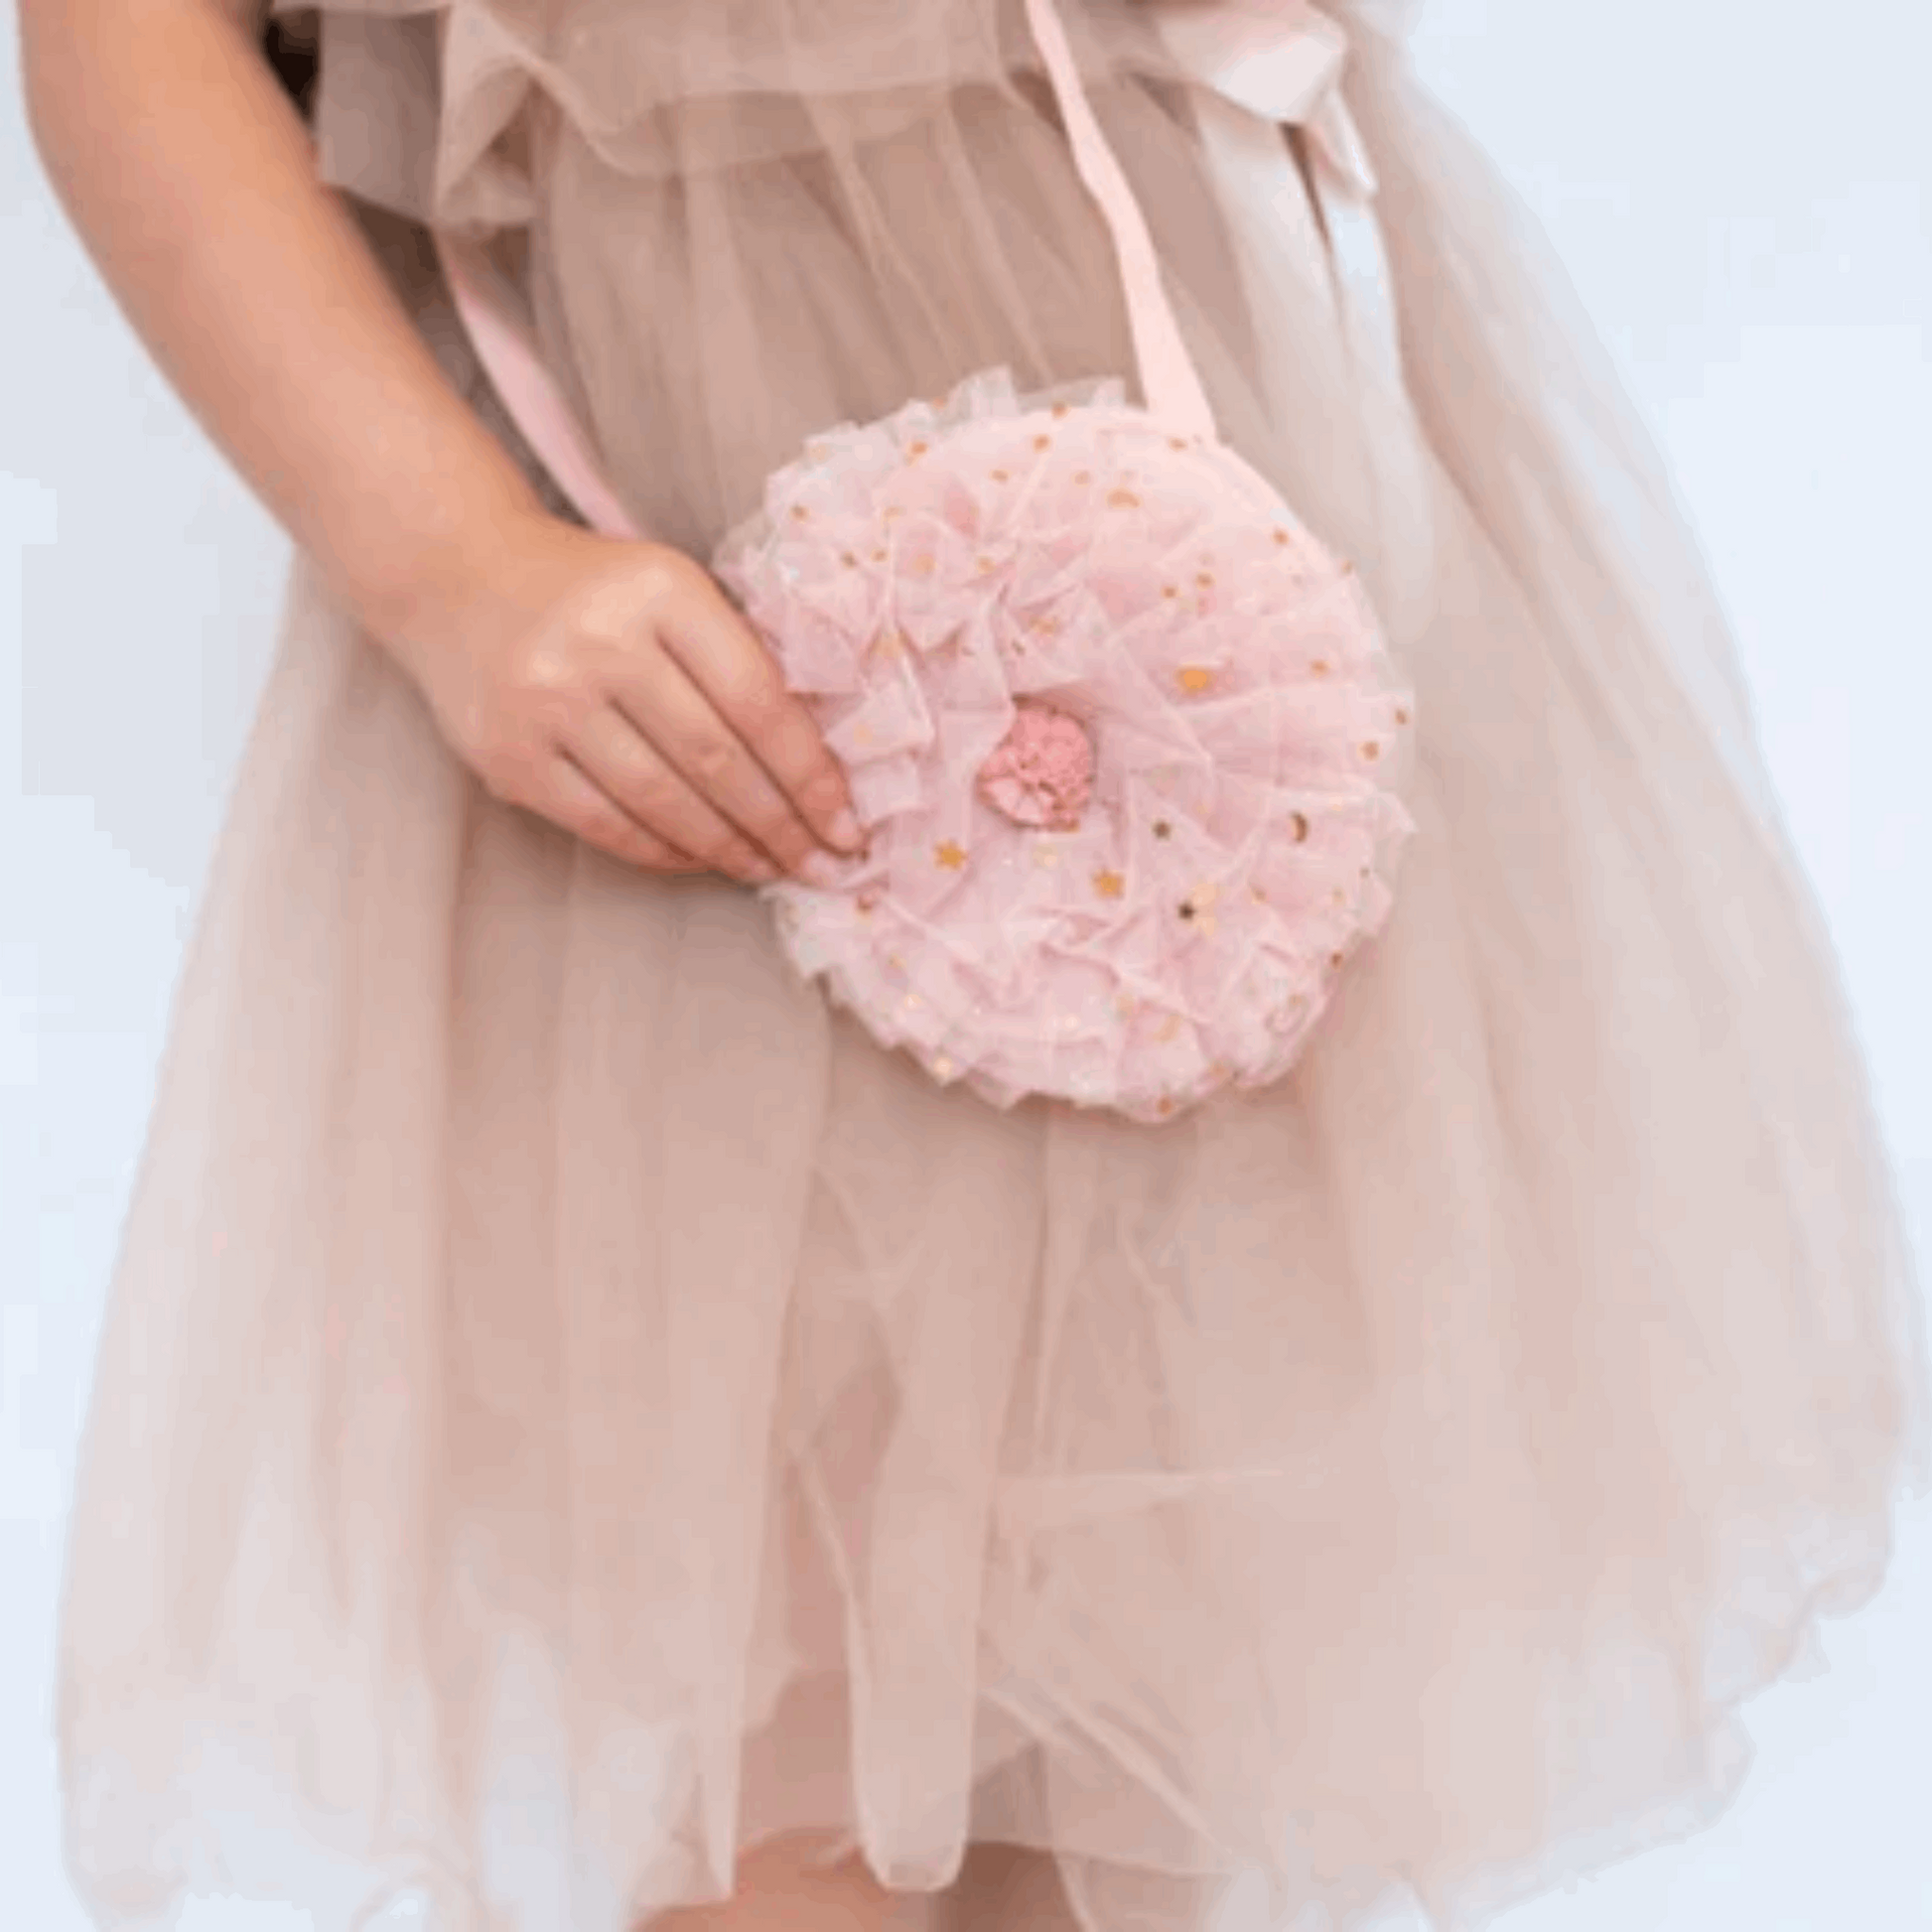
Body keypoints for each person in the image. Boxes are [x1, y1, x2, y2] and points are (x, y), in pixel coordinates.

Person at [21, 0, 1929, 1929]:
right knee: (815, 1726)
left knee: (1114, 1735)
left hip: (1209, 549)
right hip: (705, 564)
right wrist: (438, 557)